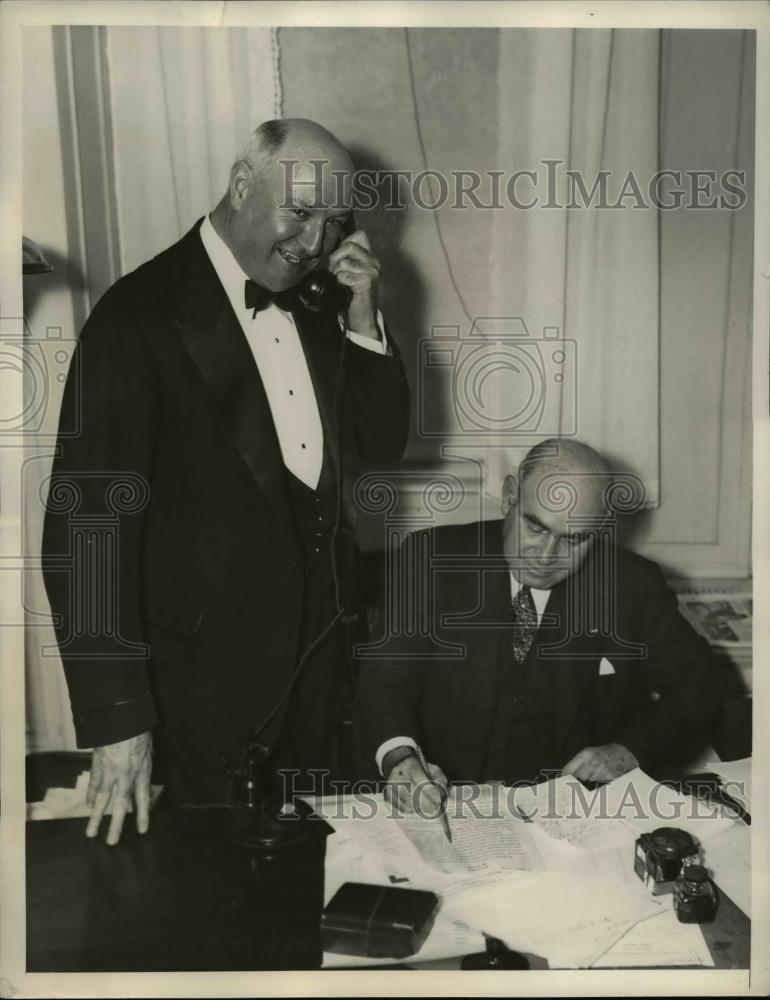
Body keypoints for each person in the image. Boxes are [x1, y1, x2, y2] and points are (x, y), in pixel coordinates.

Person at [42, 119, 409, 842]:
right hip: (194, 693)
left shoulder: (319, 299)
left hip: (314, 677)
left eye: (333, 223)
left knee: (304, 884)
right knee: (204, 905)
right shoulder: (136, 317)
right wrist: (119, 720)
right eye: (298, 214)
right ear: (243, 185)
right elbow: (86, 531)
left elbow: (378, 446)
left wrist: (364, 317)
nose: (312, 243)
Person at [354, 439, 725, 812]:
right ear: (510, 496)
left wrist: (628, 751)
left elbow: (701, 683)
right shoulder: (429, 559)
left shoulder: (632, 585)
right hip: (445, 803)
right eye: (535, 526)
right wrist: (400, 758)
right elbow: (386, 677)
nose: (546, 557)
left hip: (569, 817)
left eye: (574, 538)